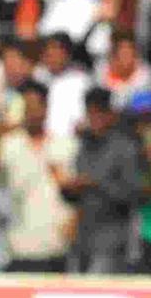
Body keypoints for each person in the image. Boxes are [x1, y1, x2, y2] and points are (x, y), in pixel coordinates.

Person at [0, 80, 78, 273]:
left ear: (46, 107)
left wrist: (75, 218)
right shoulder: (7, 145)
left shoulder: (66, 145)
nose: (31, 112)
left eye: (36, 106)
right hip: (19, 245)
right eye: (27, 107)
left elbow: (76, 195)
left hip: (56, 245)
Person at [60, 86, 144, 274]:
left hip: (113, 241)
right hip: (82, 239)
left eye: (98, 113)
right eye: (90, 113)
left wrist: (95, 184)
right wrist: (68, 189)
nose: (93, 119)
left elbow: (135, 195)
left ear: (110, 114)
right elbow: (78, 193)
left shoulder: (126, 148)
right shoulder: (84, 147)